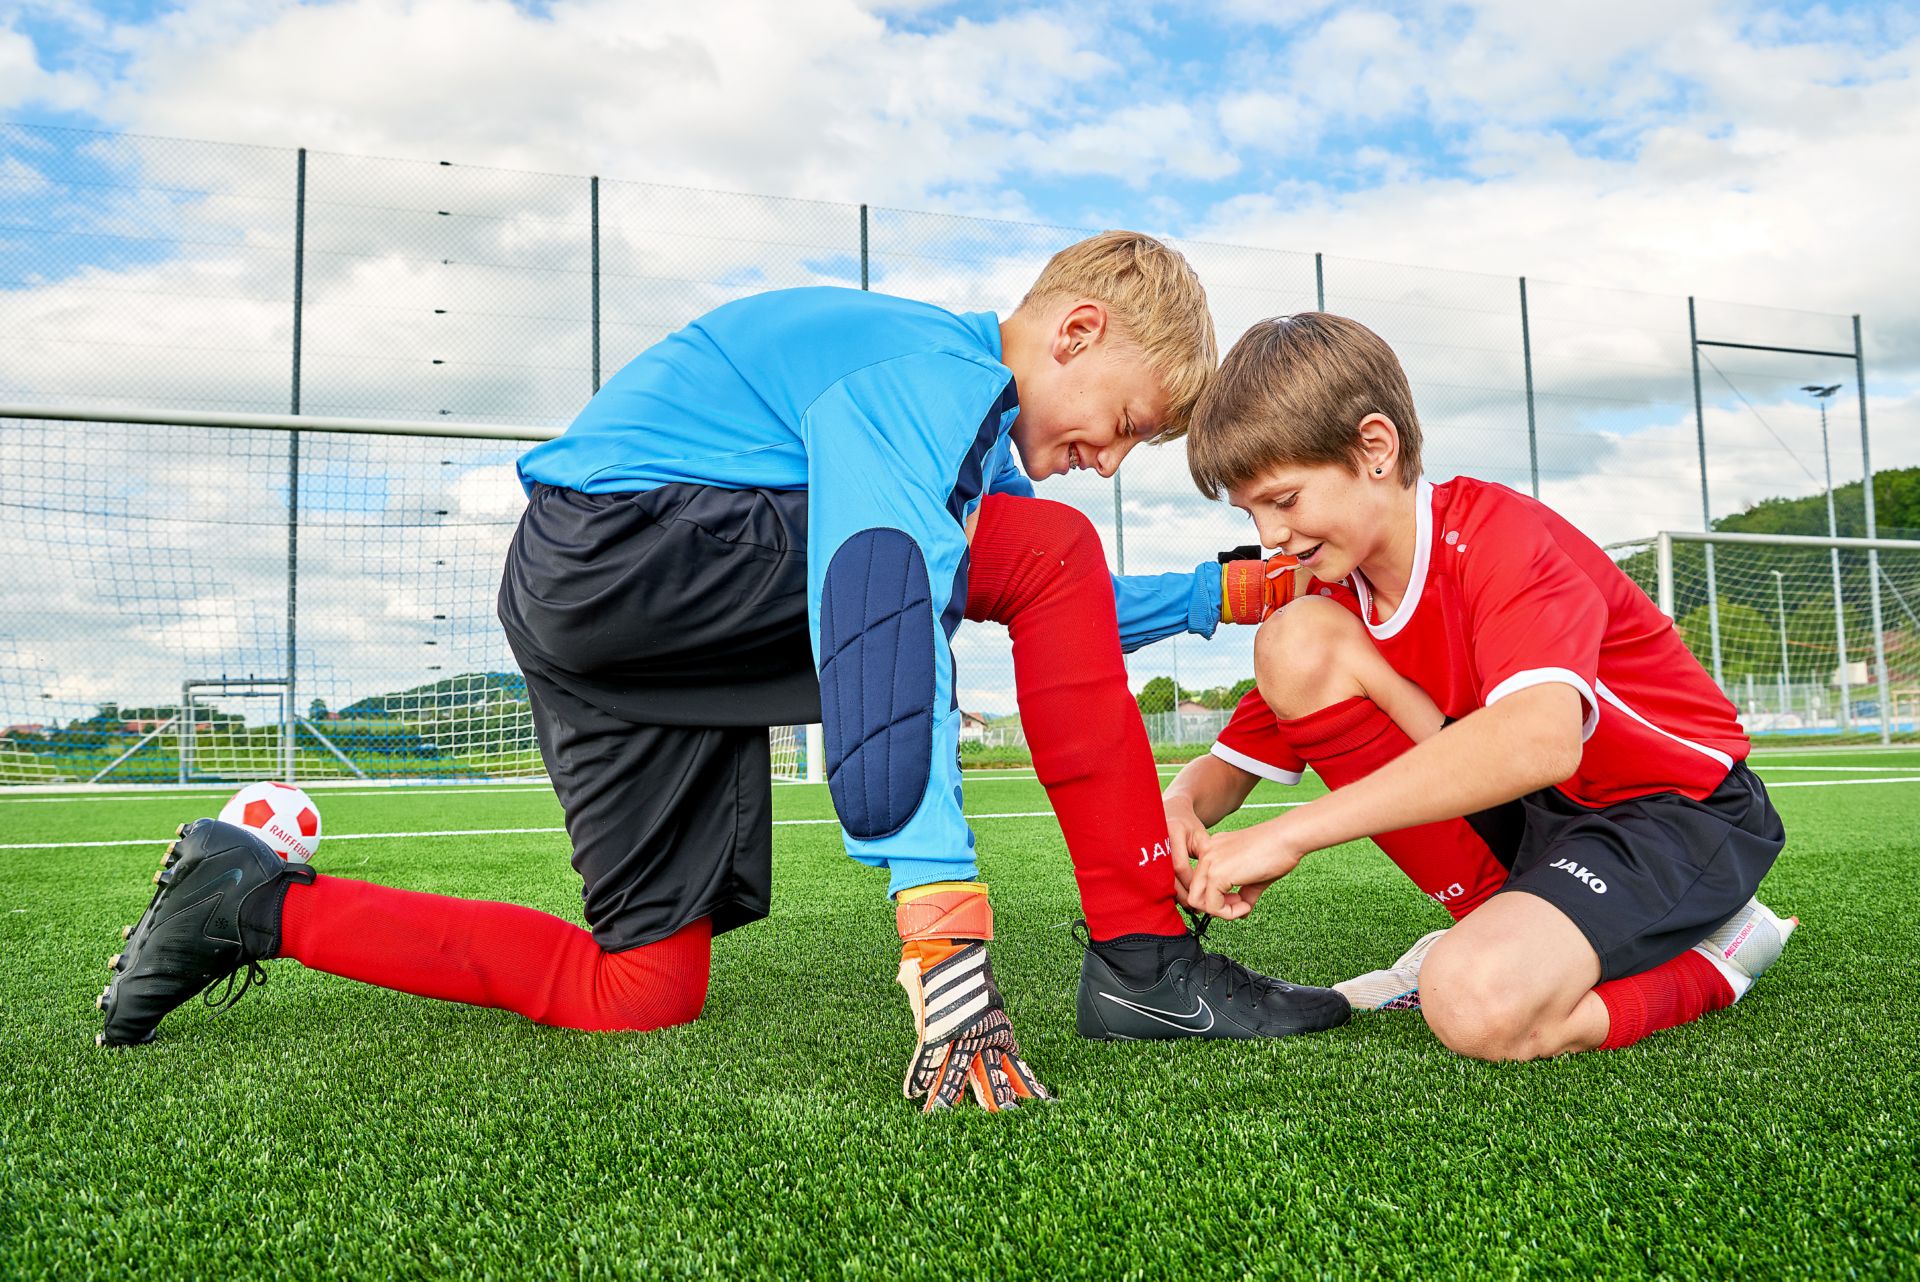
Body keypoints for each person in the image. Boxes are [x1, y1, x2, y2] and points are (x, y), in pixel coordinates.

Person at [95, 234, 1349, 1109]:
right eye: (1127, 421)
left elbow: (1012, 587)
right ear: (1080, 332)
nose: (1114, 457)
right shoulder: (930, 369)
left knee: (641, 986)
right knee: (1041, 547)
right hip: (629, 549)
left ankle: (249, 902)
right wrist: (947, 942)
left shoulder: (963, 437)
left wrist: (1212, 596)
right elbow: (884, 596)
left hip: (607, 620)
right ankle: (1146, 964)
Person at [1171, 312, 1796, 1060]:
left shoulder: (1501, 536)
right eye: (1251, 512)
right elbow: (1235, 762)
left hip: (1673, 813)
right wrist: (1177, 809)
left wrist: (1287, 836)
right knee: (1292, 638)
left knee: (1478, 1006)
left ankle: (1724, 953)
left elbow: (1541, 740)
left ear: (1375, 448)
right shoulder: (1335, 595)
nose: (1271, 536)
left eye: (1285, 500)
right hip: (1544, 821)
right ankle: (1495, 922)